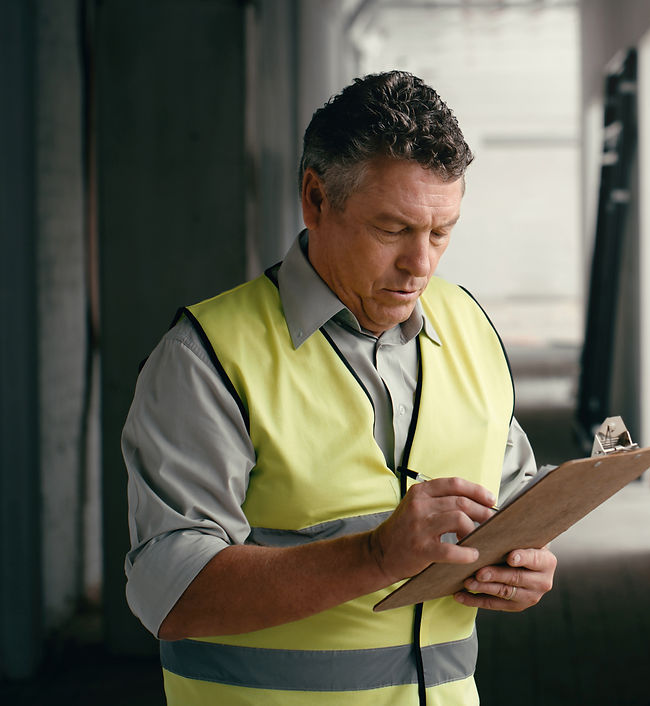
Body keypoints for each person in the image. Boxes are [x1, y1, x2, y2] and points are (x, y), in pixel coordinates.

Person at [122, 70, 557, 705]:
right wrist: (376, 557)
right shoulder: (206, 357)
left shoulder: (470, 326)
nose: (421, 265)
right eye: (393, 230)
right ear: (315, 199)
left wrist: (522, 567)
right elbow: (170, 593)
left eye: (441, 232)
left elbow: (513, 498)